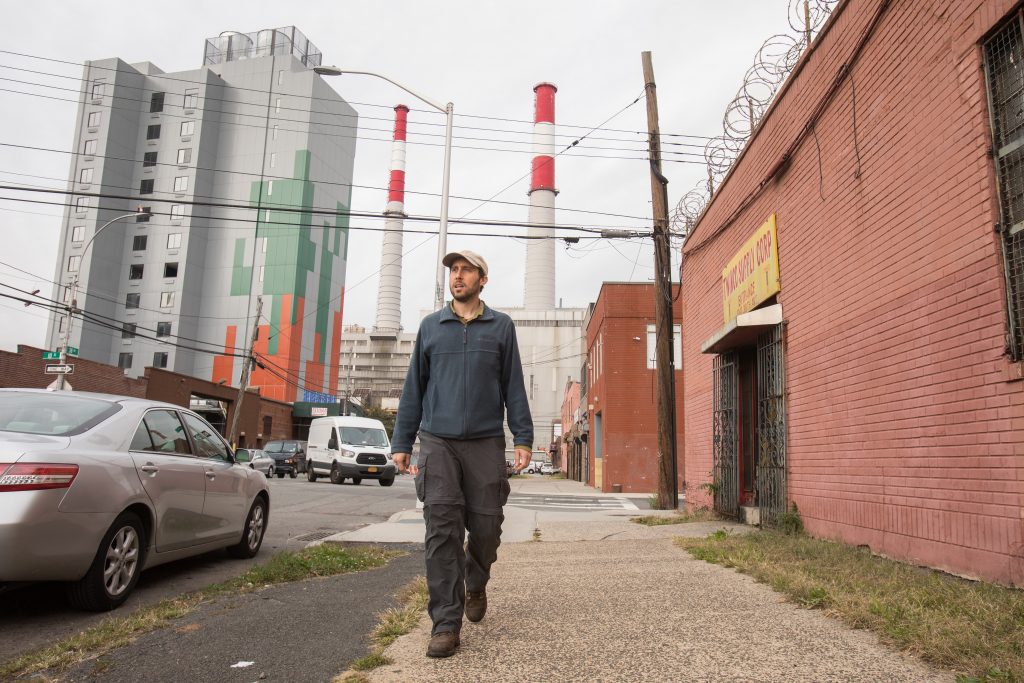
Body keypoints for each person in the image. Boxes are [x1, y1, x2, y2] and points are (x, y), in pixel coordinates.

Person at [391, 249, 533, 659]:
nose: (457, 276)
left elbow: (513, 384)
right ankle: (445, 624)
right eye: (453, 270)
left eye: (466, 270)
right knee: (441, 530)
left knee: (486, 528)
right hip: (438, 441)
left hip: (486, 441)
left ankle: (476, 578)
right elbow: (414, 388)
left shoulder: (500, 327)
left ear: (482, 280)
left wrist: (523, 436)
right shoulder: (431, 328)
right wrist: (402, 441)